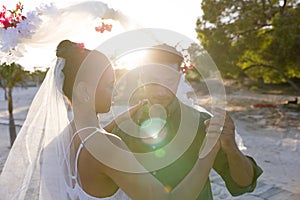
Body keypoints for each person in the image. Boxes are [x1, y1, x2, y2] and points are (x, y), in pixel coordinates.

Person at [0, 40, 235, 200]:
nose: (114, 92)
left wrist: (119, 120)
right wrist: (208, 152)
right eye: (110, 85)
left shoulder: (58, 143)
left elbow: (90, 142)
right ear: (83, 91)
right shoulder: (109, 146)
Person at [111, 44, 263, 199]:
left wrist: (232, 148)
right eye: (154, 81)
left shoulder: (201, 124)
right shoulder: (125, 125)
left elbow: (244, 185)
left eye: (169, 81)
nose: (161, 92)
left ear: (179, 79)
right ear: (142, 78)